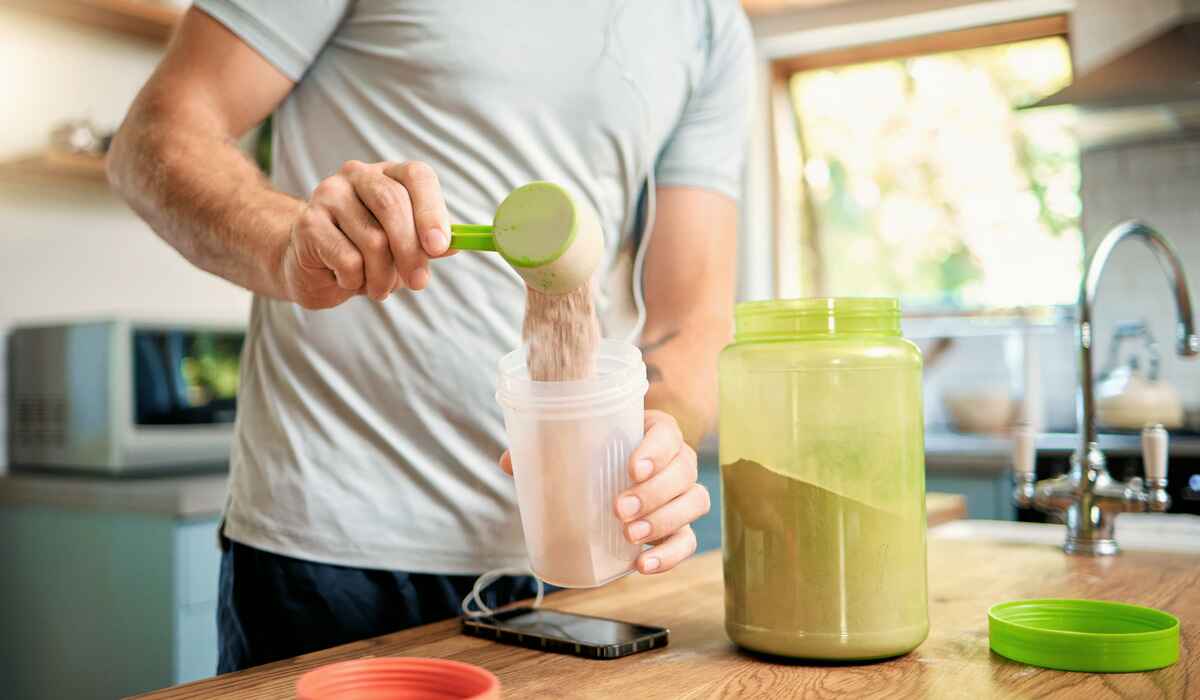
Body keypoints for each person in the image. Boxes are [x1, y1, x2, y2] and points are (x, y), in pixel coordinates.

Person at [108, 0, 752, 672]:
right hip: (331, 553)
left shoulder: (708, 24)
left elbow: (693, 320)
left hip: (571, 566)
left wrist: (658, 442)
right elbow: (153, 139)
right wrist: (288, 244)